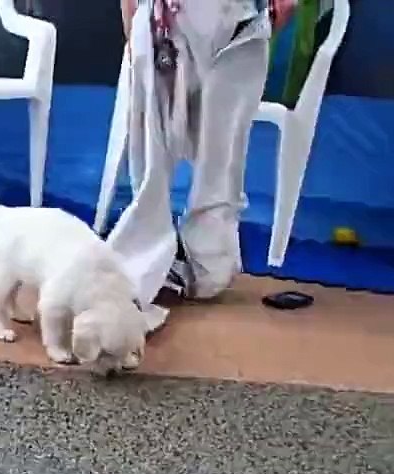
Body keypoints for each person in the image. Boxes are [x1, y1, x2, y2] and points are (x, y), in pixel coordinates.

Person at [109, 0, 296, 329]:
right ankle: (145, 262)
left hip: (239, 22)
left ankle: (201, 262)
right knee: (156, 150)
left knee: (221, 156)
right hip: (168, 21)